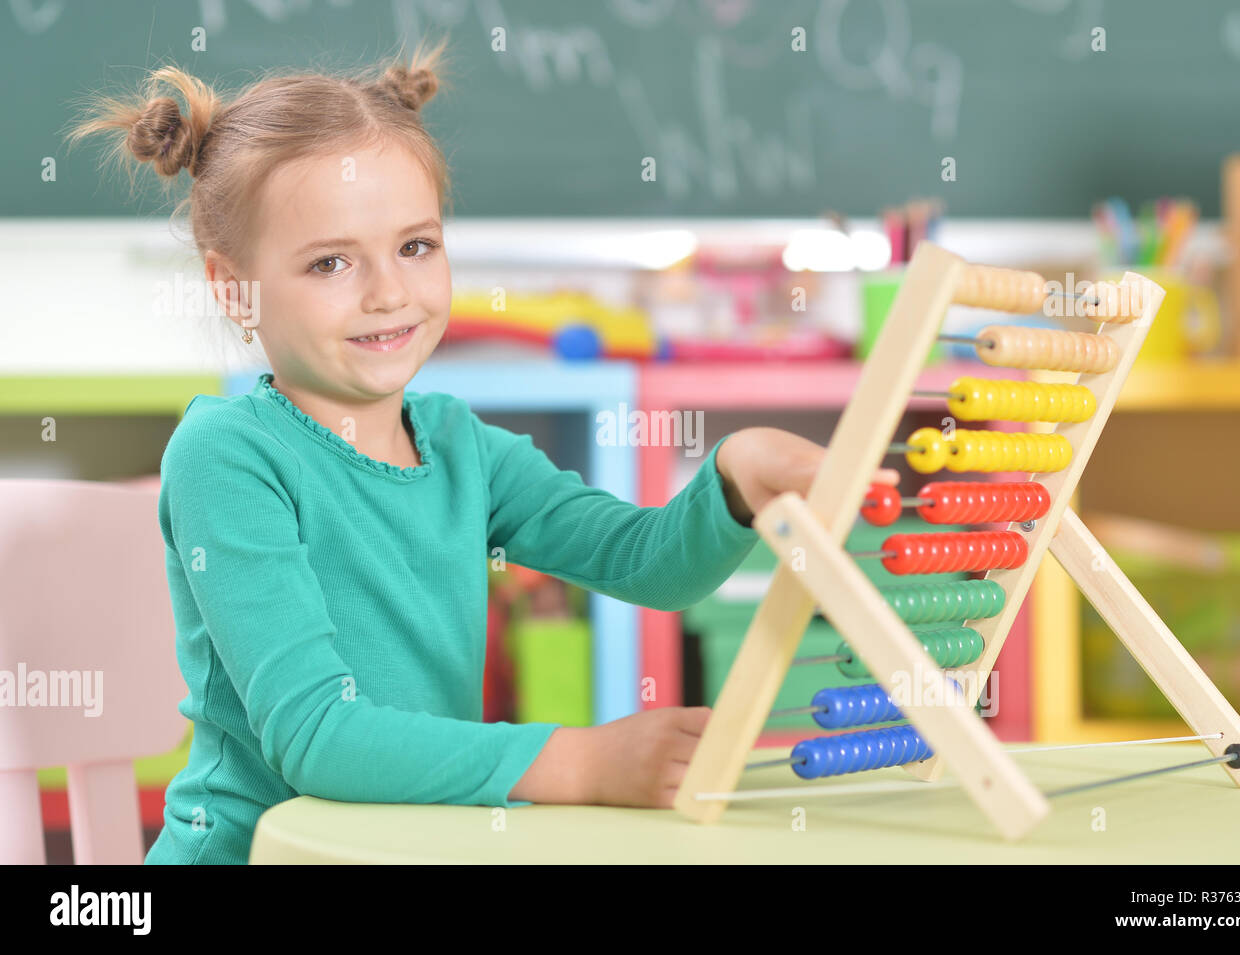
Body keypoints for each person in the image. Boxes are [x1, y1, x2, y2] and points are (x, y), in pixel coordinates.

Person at [66, 39, 898, 864]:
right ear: (230, 286)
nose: (388, 291)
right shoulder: (229, 455)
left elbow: (650, 564)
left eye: (416, 246)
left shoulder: (463, 446)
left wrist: (733, 476)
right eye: (329, 262)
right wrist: (579, 759)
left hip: (413, 846)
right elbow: (316, 736)